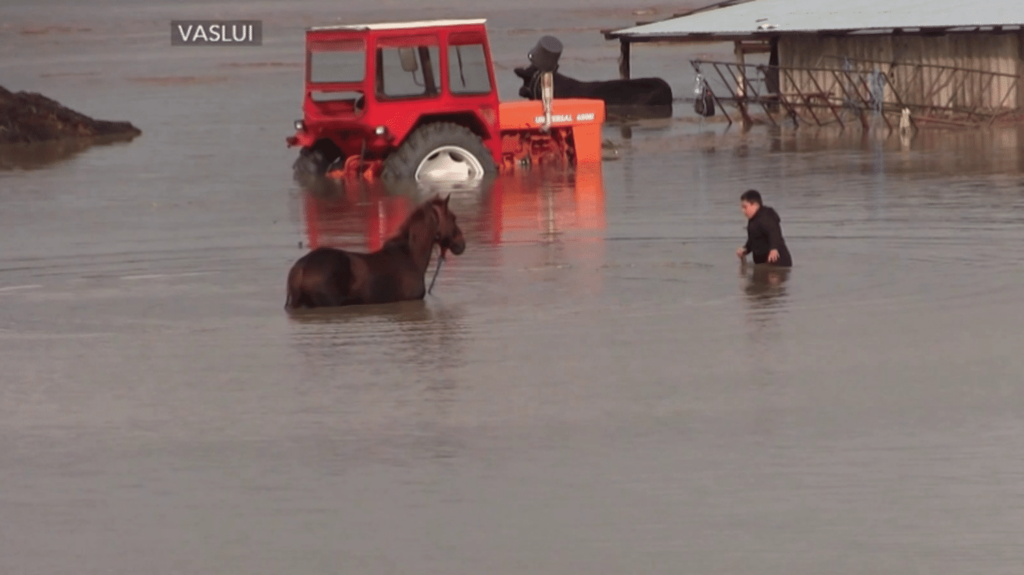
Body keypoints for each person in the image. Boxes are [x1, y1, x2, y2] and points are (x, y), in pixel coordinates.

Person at [736, 189, 792, 267]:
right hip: (762, 262)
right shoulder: (752, 220)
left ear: (754, 204)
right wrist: (746, 249)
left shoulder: (766, 216)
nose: (743, 211)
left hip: (777, 262)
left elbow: (774, 232)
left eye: (745, 207)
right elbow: (753, 240)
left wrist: (774, 248)